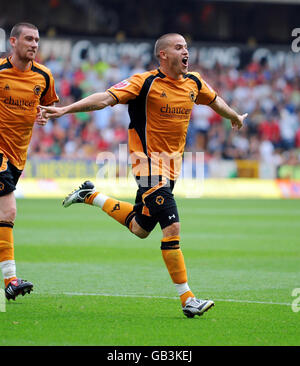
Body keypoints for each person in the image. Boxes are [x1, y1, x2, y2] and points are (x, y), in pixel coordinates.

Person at [42, 33, 247, 318]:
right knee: (172, 227)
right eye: (178, 47)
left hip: (172, 169)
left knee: (140, 227)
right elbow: (105, 99)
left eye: (186, 47)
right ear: (163, 55)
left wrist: (234, 116)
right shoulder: (145, 83)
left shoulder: (194, 82)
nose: (185, 51)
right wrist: (66, 109)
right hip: (147, 166)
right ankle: (188, 299)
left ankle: (90, 195)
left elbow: (214, 101)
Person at [0, 23, 59, 300]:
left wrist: (44, 115)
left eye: (37, 39)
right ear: (13, 41)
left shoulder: (44, 76)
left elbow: (47, 107)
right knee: (8, 210)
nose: (34, 44)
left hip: (18, 155)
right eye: (28, 39)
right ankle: (10, 279)